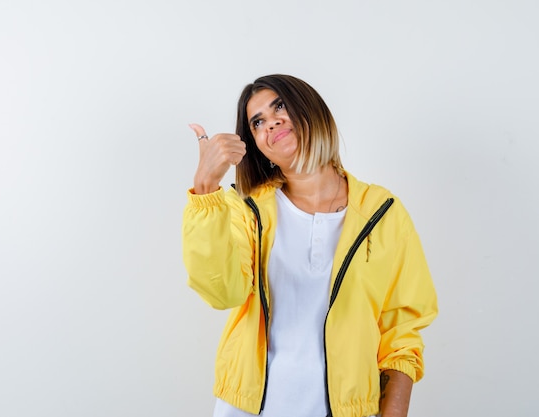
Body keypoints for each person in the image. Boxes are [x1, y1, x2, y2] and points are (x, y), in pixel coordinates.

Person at [182, 74, 438, 417]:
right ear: (257, 145)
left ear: (312, 111)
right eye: (257, 122)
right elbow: (222, 293)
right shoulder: (247, 211)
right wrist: (205, 186)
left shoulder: (383, 213)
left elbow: (402, 333)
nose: (271, 121)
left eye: (281, 106)